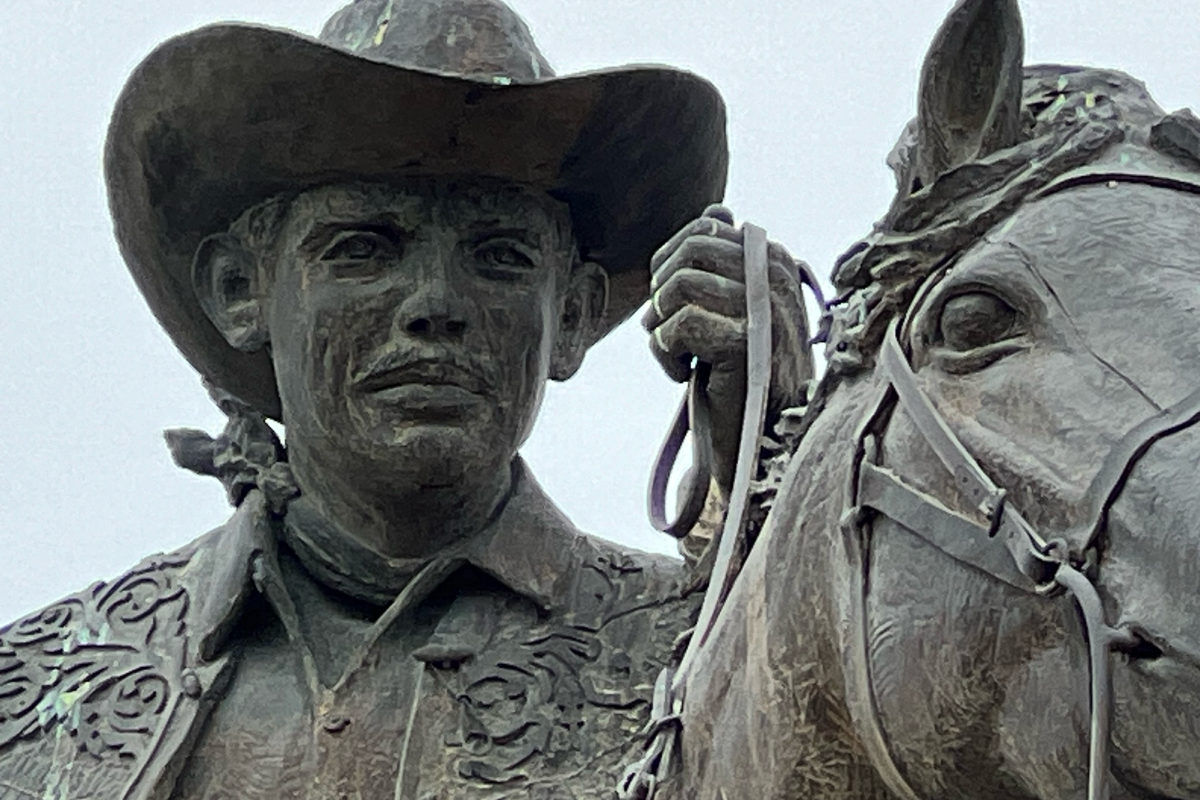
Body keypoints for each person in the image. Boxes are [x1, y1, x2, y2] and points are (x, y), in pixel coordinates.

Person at [0, 0, 811, 797]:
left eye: (498, 256)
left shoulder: (704, 651)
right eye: (363, 248)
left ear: (571, 316)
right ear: (242, 290)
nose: (434, 304)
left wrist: (788, 499)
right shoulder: (36, 694)